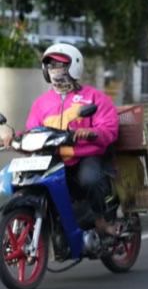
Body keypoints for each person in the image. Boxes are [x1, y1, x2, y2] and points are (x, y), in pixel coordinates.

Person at [2, 44, 120, 236]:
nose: (55, 71)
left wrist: (91, 132)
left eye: (60, 65)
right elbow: (33, 131)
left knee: (89, 179)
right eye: (51, 66)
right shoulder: (41, 103)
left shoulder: (94, 98)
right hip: (53, 158)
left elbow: (109, 128)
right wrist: (15, 139)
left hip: (85, 156)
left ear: (74, 67)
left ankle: (101, 220)